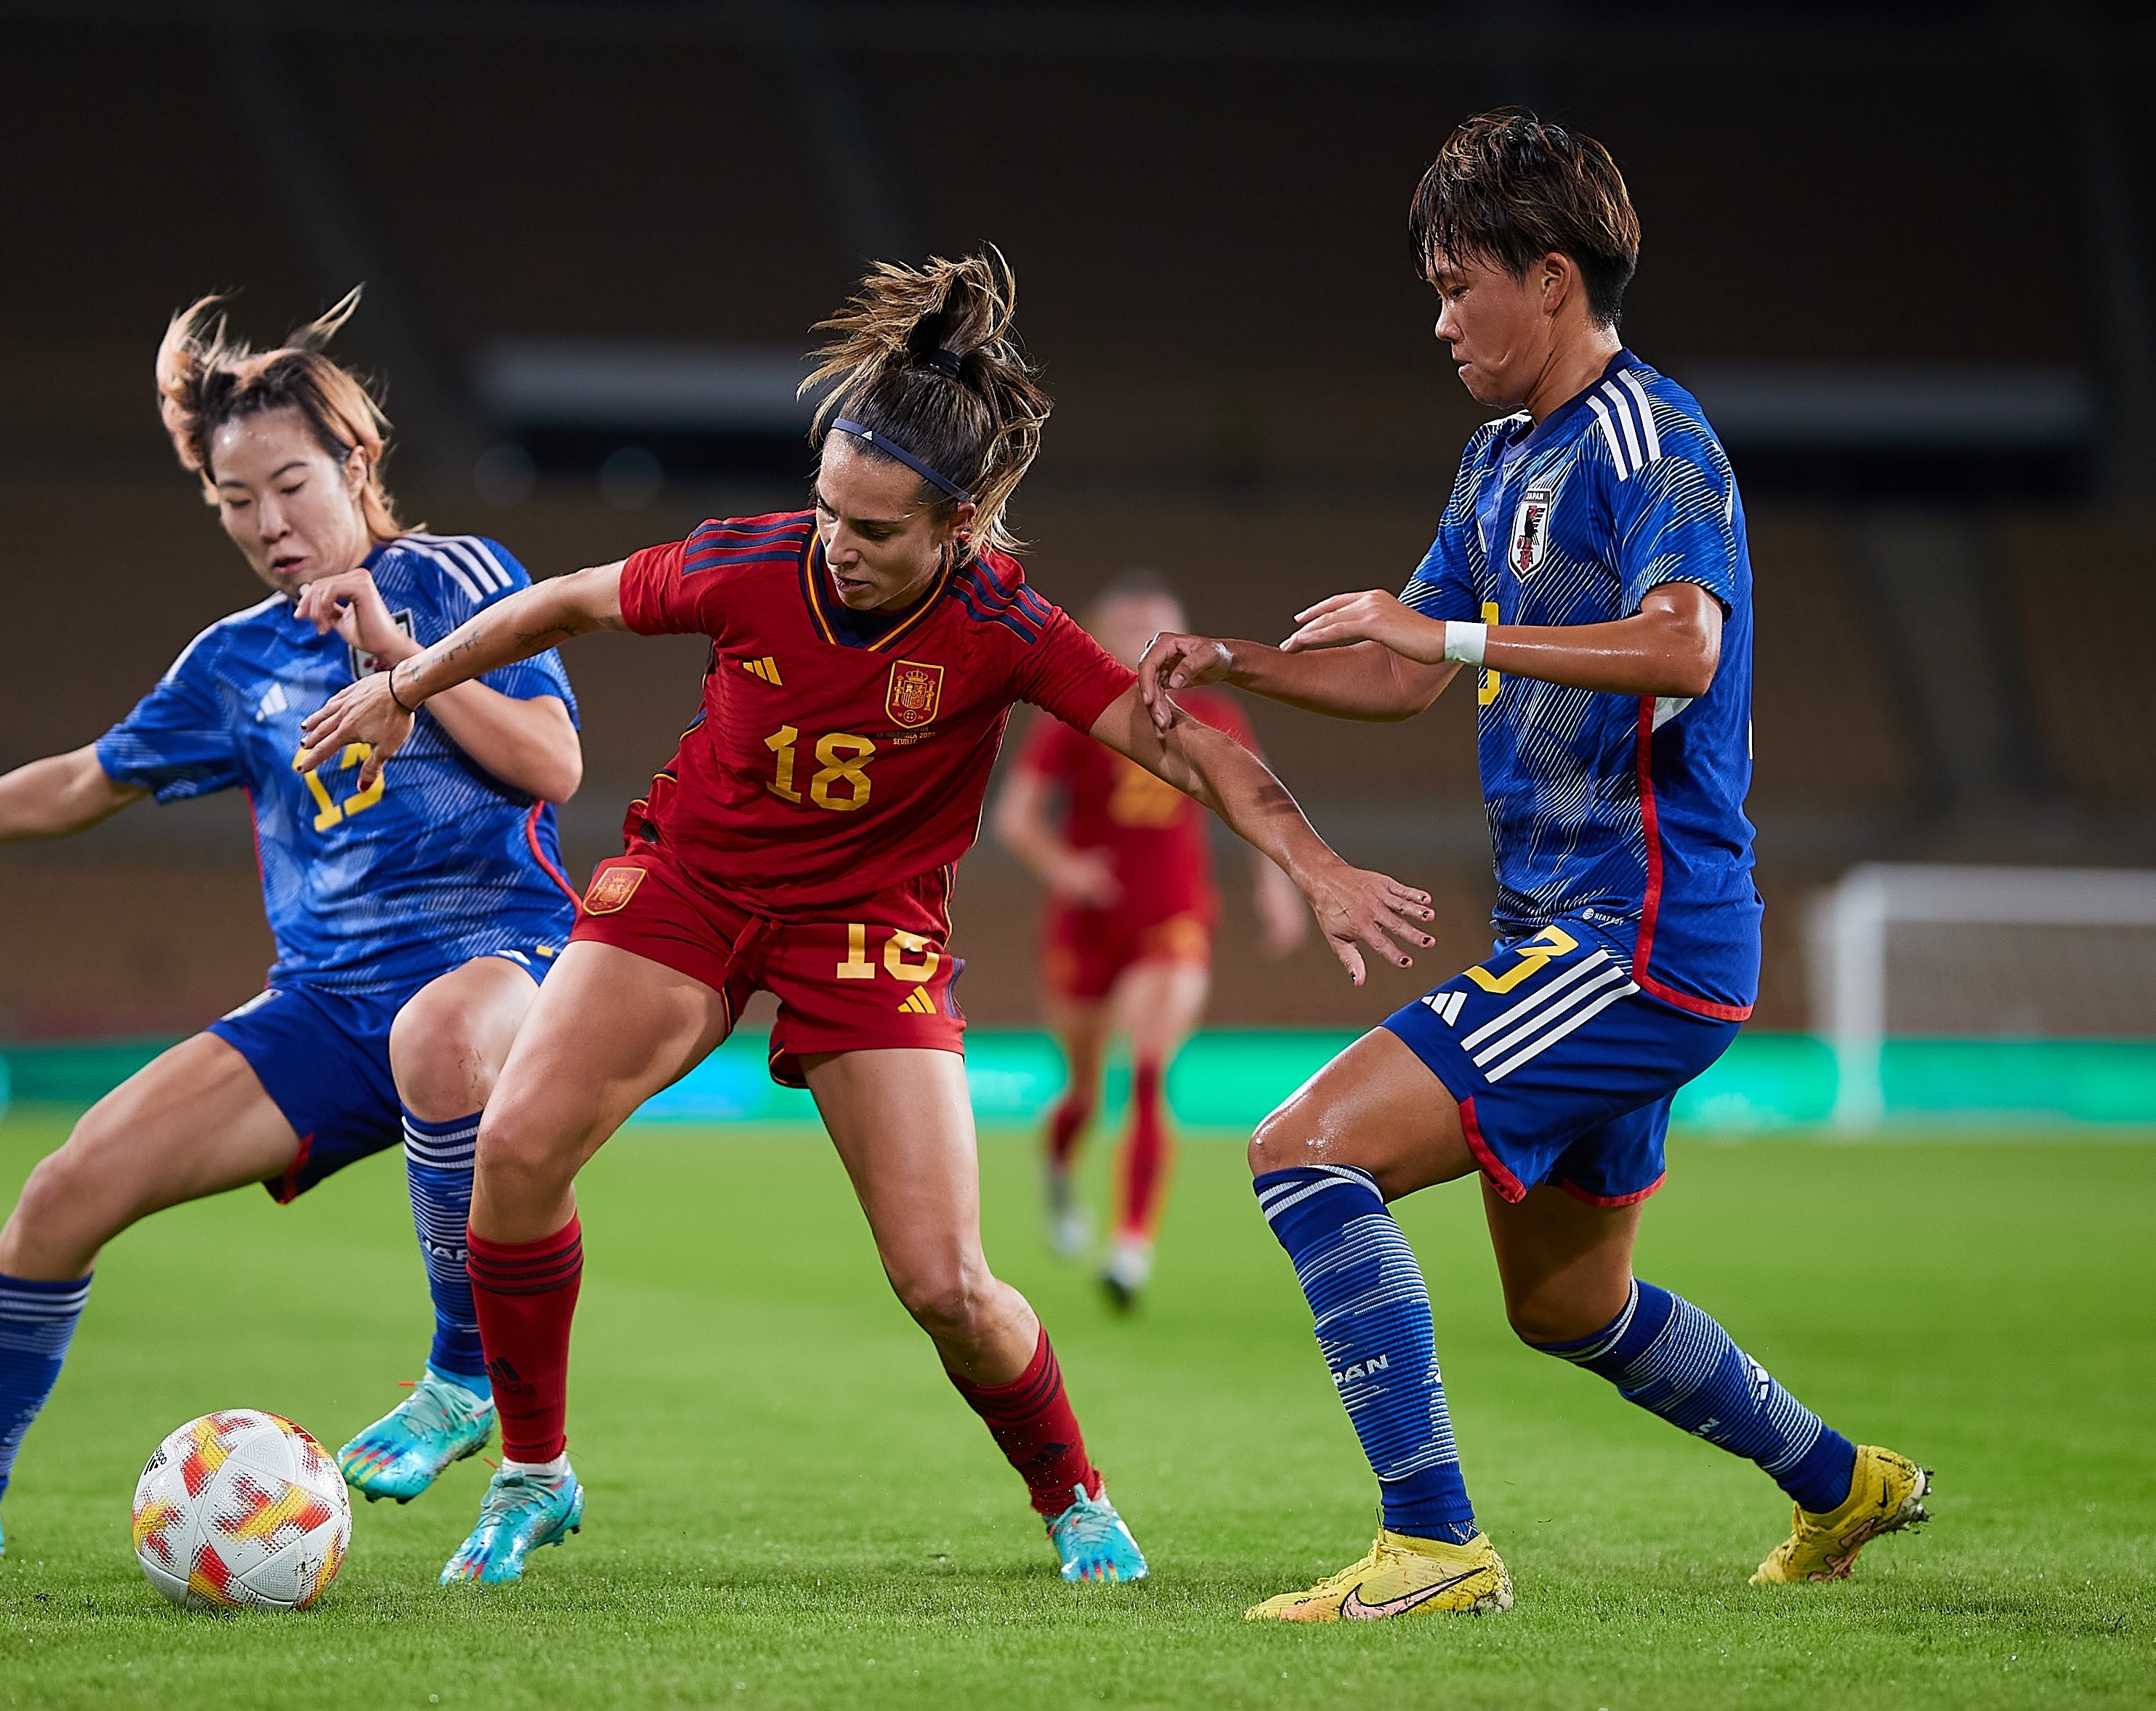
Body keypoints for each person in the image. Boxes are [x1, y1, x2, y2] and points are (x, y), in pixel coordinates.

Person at [296, 251, 1438, 1588]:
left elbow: (1183, 750)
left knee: (944, 1282)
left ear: (958, 525)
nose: (836, 538)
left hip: (867, 926)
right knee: (518, 1145)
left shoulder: (1006, 626)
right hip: (692, 883)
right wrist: (408, 681)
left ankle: (1073, 1494)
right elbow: (565, 601)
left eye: (875, 527)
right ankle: (535, 1472)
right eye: (829, 506)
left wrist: (1310, 860)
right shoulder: (749, 562)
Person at [1141, 110, 1929, 1622]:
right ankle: (1842, 1481)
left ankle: (1432, 1543)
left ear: (1549, 278)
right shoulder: (1498, 452)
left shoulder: (1650, 435)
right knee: (1563, 1298)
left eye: (1457, 285)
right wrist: (1231, 660)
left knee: (1301, 1147)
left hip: (1634, 936)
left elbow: (1682, 647)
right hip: (1578, 933)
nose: (1438, 320)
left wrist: (1435, 629)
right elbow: (1399, 672)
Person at [0, 293, 584, 1566]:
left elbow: (553, 764)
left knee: (442, 1033)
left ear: (358, 465)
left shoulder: (458, 577)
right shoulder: (235, 662)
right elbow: (77, 783)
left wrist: (402, 662)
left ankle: (460, 1375)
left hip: (507, 961)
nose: (269, 523)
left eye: (290, 484)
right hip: (326, 1004)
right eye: (235, 499)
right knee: (63, 1192)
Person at [994, 571, 1306, 1308]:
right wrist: (1065, 866)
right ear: (1100, 638)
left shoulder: (1216, 714)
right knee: (1081, 1090)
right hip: (1087, 926)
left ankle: (1131, 1245)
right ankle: (1061, 1171)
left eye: (1160, 629)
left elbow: (1258, 803)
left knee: (1145, 1073)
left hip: (1173, 919)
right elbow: (1016, 818)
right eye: (1131, 627)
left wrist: (1276, 885)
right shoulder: (1071, 718)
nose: (1148, 642)